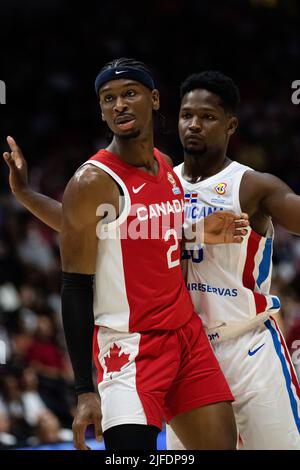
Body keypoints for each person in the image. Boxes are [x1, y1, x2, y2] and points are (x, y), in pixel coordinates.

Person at [3, 58, 249, 450]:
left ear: (153, 100)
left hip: (186, 338)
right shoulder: (92, 181)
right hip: (130, 347)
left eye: (129, 94)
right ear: (101, 111)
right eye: (108, 98)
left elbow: (134, 232)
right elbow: (75, 285)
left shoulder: (166, 166)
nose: (118, 104)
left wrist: (196, 231)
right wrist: (85, 389)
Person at [166, 71, 300, 450]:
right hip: (187, 355)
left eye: (207, 116)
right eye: (186, 115)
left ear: (231, 125)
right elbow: (120, 240)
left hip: (248, 346)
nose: (194, 124)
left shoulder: (253, 186)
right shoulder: (161, 188)